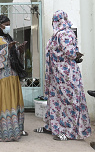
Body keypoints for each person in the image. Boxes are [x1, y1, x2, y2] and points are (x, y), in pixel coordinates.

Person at [35, 10, 91, 140]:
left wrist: (74, 56)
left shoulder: (64, 34)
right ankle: (52, 126)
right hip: (57, 75)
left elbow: (70, 53)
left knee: (68, 101)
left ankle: (69, 132)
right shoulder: (59, 34)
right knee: (55, 100)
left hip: (66, 75)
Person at [0, 15, 28, 141]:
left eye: (9, 24)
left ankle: (17, 130)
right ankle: (4, 132)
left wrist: (20, 51)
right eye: (5, 24)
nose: (7, 27)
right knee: (5, 103)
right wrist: (6, 49)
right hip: (1, 78)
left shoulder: (8, 38)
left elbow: (14, 58)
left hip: (12, 76)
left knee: (14, 103)